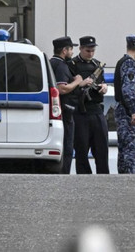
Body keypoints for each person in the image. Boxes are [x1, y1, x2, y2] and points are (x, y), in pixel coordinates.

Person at [49, 36, 91, 174]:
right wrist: (77, 82)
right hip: (65, 112)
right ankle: (64, 176)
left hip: (59, 112)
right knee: (67, 148)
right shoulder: (61, 65)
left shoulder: (51, 63)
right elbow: (62, 89)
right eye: (71, 49)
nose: (72, 52)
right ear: (64, 50)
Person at [69, 36, 110, 174]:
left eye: (93, 50)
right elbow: (68, 88)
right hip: (81, 111)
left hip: (97, 110)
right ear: (80, 49)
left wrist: (104, 87)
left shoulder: (97, 65)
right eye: (87, 50)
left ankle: (103, 178)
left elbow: (102, 81)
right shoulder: (72, 65)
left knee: (102, 149)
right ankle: (84, 179)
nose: (90, 53)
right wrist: (80, 83)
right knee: (81, 149)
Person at [113, 35, 135, 174]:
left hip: (122, 109)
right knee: (130, 149)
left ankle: (123, 180)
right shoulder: (129, 64)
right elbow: (128, 90)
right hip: (126, 112)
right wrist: (133, 111)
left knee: (124, 149)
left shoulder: (122, 62)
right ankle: (129, 180)